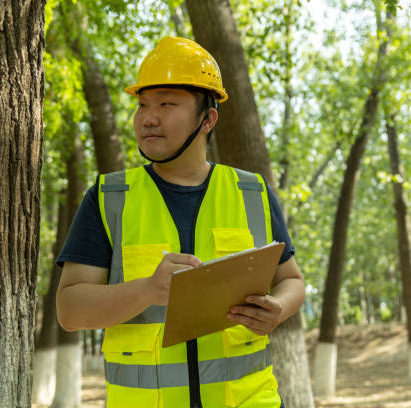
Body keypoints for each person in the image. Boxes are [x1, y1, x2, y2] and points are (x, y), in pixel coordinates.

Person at [56, 36, 305, 408]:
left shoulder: (252, 193)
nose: (148, 117)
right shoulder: (109, 198)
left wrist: (279, 309)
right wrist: (147, 290)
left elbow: (292, 280)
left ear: (208, 118)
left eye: (167, 103)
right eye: (142, 105)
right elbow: (70, 310)